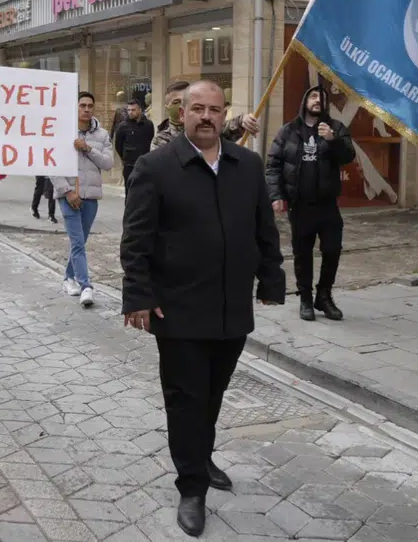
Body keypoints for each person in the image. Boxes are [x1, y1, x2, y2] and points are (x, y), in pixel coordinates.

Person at [121, 80, 284, 538]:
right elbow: (135, 239)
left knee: (212, 394)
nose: (207, 116)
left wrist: (272, 279)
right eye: (198, 109)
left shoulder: (247, 165)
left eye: (214, 109)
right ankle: (191, 488)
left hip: (231, 308)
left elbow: (264, 229)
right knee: (186, 398)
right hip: (177, 308)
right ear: (183, 113)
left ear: (224, 112)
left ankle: (201, 455)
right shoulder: (157, 166)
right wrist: (138, 296)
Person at [265, 85, 355, 321]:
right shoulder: (288, 131)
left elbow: (348, 156)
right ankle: (305, 297)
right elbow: (273, 165)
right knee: (302, 253)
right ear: (305, 100)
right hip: (300, 205)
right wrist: (276, 196)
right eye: (314, 96)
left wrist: (332, 140)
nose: (318, 101)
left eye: (322, 98)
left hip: (327, 205)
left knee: (333, 250)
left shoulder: (335, 128)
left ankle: (323, 295)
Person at [51, 92, 113, 308]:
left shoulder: (103, 135)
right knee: (77, 242)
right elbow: (51, 165)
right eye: (82, 105)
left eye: (89, 106)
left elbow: (108, 163)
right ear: (75, 108)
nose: (86, 109)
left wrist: (87, 148)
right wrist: (67, 191)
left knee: (81, 241)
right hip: (68, 195)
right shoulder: (61, 132)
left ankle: (68, 278)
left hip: (91, 196)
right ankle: (85, 285)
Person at [150, 80, 259, 150]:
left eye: (184, 102)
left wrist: (243, 120)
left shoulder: (204, 128)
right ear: (167, 108)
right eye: (176, 102)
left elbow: (227, 128)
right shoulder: (162, 140)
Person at [113, 96, 154, 187]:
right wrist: (125, 157)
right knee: (129, 192)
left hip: (144, 164)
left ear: (140, 110)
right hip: (129, 165)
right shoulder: (123, 126)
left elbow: (150, 139)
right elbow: (118, 145)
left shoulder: (148, 125)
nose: (130, 112)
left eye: (133, 110)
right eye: (129, 110)